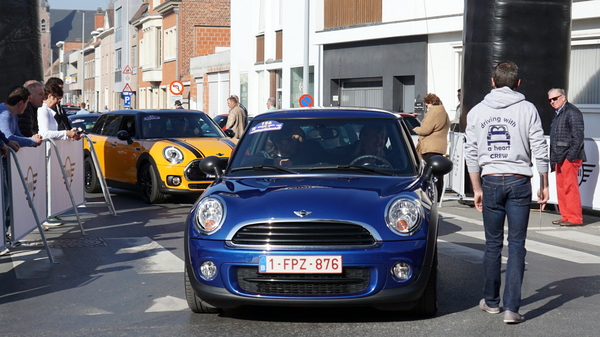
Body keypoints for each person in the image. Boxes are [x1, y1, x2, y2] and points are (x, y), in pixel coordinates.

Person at [465, 61, 549, 324]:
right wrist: (544, 183)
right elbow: (539, 146)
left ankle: (491, 302)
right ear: (518, 83)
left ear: (493, 82)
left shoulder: (477, 111)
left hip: (490, 179)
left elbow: (471, 153)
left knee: (492, 244)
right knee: (516, 245)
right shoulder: (527, 109)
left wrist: (476, 188)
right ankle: (512, 308)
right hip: (519, 180)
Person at [548, 88, 586, 226]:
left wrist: (570, 157)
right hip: (559, 156)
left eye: (555, 98)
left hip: (568, 156)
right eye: (550, 100)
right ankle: (566, 216)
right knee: (562, 187)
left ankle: (575, 217)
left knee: (570, 187)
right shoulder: (560, 113)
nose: (552, 102)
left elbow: (578, 137)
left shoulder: (572, 112)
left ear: (563, 97)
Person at [413, 93, 450, 201]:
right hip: (440, 147)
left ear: (430, 103)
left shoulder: (434, 112)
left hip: (430, 147)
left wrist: (416, 129)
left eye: (427, 105)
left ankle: (429, 194)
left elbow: (425, 130)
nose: (427, 107)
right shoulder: (443, 112)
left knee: (430, 172)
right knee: (438, 172)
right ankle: (437, 195)